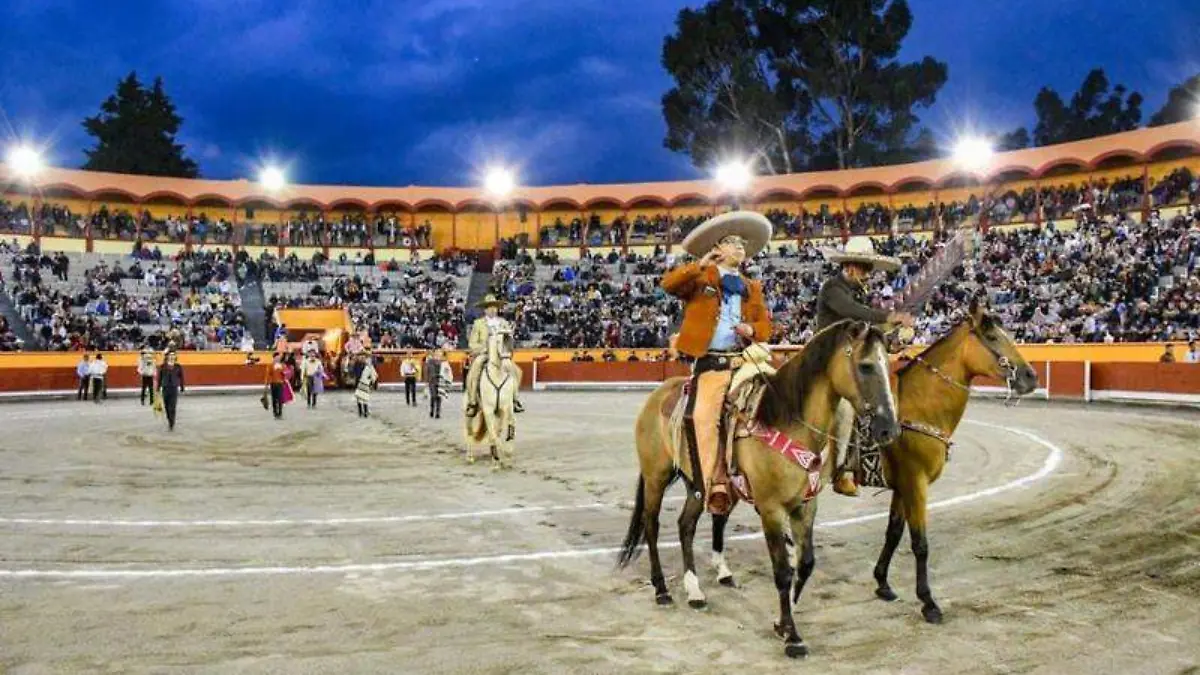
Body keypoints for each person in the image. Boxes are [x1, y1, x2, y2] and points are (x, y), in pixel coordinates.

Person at [661, 211, 773, 516]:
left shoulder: (753, 286)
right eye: (732, 243)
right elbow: (668, 285)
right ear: (717, 249)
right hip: (711, 363)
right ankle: (716, 483)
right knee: (703, 417)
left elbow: (766, 325)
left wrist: (752, 331)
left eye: (742, 244)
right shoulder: (700, 277)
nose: (740, 248)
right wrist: (701, 264)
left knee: (779, 395)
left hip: (744, 359)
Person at [817, 235, 913, 497]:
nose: (868, 274)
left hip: (847, 358)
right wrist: (890, 317)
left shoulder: (855, 291)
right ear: (850, 266)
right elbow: (855, 313)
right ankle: (842, 471)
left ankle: (856, 468)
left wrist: (889, 338)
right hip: (825, 357)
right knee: (851, 407)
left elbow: (866, 326)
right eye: (865, 268)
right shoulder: (832, 289)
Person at [464, 294, 525, 417]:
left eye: (494, 307)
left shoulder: (503, 323)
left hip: (501, 355)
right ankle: (473, 402)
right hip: (485, 354)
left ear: (497, 308)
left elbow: (509, 342)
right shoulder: (478, 323)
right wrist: (484, 349)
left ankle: (515, 399)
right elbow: (472, 343)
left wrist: (510, 341)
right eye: (489, 307)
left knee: (517, 371)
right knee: (474, 371)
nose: (492, 309)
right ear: (485, 309)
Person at [157, 350, 185, 431]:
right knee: (166, 407)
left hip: (174, 388)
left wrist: (182, 387)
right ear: (167, 357)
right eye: (170, 355)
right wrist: (158, 388)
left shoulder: (178, 366)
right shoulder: (163, 366)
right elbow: (160, 377)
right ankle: (169, 419)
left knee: (172, 407)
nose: (172, 356)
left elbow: (181, 377)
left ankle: (171, 423)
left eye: (173, 355)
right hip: (165, 388)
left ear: (175, 357)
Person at [426, 348, 453, 419]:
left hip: (440, 380)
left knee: (439, 396)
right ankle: (432, 410)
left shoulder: (443, 362)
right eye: (437, 352)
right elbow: (427, 371)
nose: (438, 353)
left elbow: (447, 372)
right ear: (434, 353)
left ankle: (437, 412)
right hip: (432, 381)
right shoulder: (430, 361)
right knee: (433, 396)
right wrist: (426, 381)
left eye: (439, 352)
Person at [355, 350, 379, 418]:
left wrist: (371, 382)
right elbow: (356, 373)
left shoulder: (369, 366)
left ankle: (365, 411)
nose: (362, 357)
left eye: (363, 356)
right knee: (359, 398)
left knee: (365, 398)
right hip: (359, 382)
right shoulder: (357, 364)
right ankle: (360, 412)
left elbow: (375, 375)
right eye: (360, 356)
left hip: (366, 383)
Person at [264, 354, 286, 419]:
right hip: (273, 383)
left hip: (280, 383)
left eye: (279, 358)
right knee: (274, 399)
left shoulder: (282, 365)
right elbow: (268, 375)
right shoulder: (270, 365)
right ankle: (275, 413)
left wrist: (284, 374)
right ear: (274, 358)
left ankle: (280, 413)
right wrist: (266, 384)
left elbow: (285, 375)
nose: (278, 359)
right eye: (277, 358)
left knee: (280, 398)